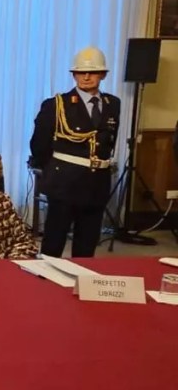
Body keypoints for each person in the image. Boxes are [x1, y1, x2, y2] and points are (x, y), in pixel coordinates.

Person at [30, 47, 120, 258]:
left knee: (87, 244)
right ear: (74, 75)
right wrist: (52, 171)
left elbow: (107, 142)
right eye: (80, 72)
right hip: (65, 182)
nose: (86, 77)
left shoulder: (113, 103)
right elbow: (39, 145)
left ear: (103, 74)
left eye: (92, 72)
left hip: (97, 182)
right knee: (54, 242)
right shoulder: (56, 105)